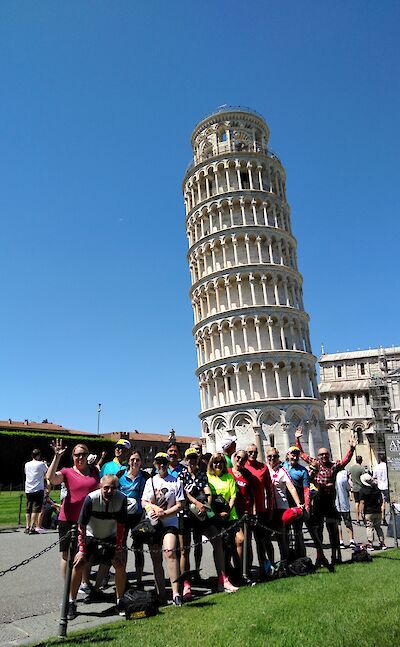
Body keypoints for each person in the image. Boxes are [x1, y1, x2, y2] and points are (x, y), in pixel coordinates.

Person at [47, 440, 100, 617]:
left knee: (83, 557)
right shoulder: (68, 472)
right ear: (73, 456)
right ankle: (69, 592)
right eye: (77, 454)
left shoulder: (94, 472)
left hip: (87, 521)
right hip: (67, 520)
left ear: (87, 456)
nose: (80, 457)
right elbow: (51, 478)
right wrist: (57, 456)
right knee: (67, 555)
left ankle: (78, 588)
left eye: (83, 454)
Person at [178, 448, 238, 599]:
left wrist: (206, 505)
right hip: (186, 514)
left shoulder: (202, 474)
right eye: (190, 458)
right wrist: (198, 503)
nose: (192, 461)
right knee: (185, 550)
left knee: (217, 542)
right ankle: (186, 585)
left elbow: (208, 492)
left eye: (194, 458)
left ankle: (222, 580)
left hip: (202, 514)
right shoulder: (181, 475)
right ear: (186, 460)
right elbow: (184, 494)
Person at [295, 427, 356, 566]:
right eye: (321, 455)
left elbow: (345, 461)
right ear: (318, 456)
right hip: (318, 501)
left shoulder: (333, 466)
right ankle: (319, 556)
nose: (323, 457)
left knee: (333, 529)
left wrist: (351, 449)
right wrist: (297, 439)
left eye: (325, 454)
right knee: (319, 531)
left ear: (328, 455)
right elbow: (301, 454)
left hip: (330, 502)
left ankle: (336, 556)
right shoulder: (314, 463)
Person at [73, 474, 128, 620]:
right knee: (79, 564)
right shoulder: (91, 499)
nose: (110, 491)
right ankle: (71, 602)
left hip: (111, 535)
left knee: (120, 564)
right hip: (91, 534)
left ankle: (120, 601)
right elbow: (81, 525)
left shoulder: (122, 499)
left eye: (113, 488)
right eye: (106, 488)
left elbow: (122, 526)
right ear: (100, 486)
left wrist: (118, 549)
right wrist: (82, 550)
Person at [142, 452, 185, 606]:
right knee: (155, 559)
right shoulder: (150, 481)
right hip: (154, 522)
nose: (161, 465)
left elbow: (180, 504)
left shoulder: (176, 481)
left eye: (164, 462)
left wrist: (165, 513)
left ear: (168, 464)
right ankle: (161, 593)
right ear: (155, 464)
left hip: (170, 522)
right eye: (158, 462)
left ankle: (176, 592)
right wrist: (155, 508)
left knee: (170, 552)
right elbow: (144, 501)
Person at [118, 449, 149, 589]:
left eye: (137, 460)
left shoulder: (145, 477)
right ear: (128, 461)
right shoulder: (120, 476)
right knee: (121, 547)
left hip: (138, 516)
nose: (135, 462)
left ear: (141, 462)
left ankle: (139, 580)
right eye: (132, 459)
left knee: (138, 548)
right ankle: (122, 578)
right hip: (123, 516)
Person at [266, 448, 302, 562]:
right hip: (267, 508)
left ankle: (285, 561)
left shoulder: (282, 470)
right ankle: (271, 564)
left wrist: (298, 503)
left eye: (275, 456)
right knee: (267, 537)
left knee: (282, 536)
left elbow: (291, 487)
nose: (272, 459)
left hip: (281, 507)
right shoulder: (264, 469)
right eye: (270, 456)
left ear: (278, 458)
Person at [245, 444, 275, 575]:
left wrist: (271, 508)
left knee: (262, 541)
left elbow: (269, 489)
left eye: (255, 452)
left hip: (261, 509)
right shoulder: (242, 466)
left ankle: (267, 567)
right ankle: (248, 570)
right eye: (250, 452)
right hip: (246, 511)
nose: (252, 454)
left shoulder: (263, 467)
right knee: (246, 542)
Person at [229, 450, 255, 580]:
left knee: (246, 543)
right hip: (232, 513)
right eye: (238, 457)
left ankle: (247, 570)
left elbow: (252, 495)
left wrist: (253, 511)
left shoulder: (247, 474)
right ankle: (240, 572)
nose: (240, 460)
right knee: (239, 541)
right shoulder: (228, 473)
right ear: (234, 458)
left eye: (243, 459)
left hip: (246, 513)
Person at [283, 446, 310, 558]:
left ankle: (301, 557)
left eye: (296, 454)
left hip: (298, 505)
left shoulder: (302, 470)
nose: (294, 456)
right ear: (288, 455)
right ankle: (288, 557)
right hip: (284, 505)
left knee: (298, 531)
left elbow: (306, 489)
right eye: (292, 454)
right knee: (286, 532)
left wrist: (307, 506)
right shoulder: (282, 467)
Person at [359, 473, 387, 552]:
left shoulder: (363, 490)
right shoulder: (376, 489)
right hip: (377, 511)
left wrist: (361, 513)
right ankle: (382, 543)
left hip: (368, 512)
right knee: (378, 527)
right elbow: (381, 500)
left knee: (369, 528)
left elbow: (362, 503)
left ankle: (370, 544)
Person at [24, 449, 48, 534]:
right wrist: (45, 464)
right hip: (38, 488)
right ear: (38, 456)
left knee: (28, 508)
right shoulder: (41, 464)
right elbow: (47, 472)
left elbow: (26, 473)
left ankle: (27, 527)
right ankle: (32, 527)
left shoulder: (27, 464)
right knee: (36, 509)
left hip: (28, 488)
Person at [335, 469, 357, 549]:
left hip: (337, 504)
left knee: (338, 524)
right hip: (343, 504)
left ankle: (341, 540)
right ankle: (351, 540)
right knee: (347, 523)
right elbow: (349, 486)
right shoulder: (344, 476)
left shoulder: (334, 475)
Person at [349, 456, 366, 525]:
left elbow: (350, 476)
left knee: (356, 503)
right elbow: (364, 478)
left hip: (355, 487)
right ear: (361, 461)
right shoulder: (362, 469)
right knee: (362, 502)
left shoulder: (352, 468)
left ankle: (357, 518)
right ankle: (363, 517)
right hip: (361, 487)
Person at [373, 454, 389, 525]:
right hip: (387, 486)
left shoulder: (377, 467)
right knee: (389, 502)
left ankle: (382, 517)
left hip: (380, 486)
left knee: (382, 502)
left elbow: (374, 477)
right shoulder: (387, 466)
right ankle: (388, 517)